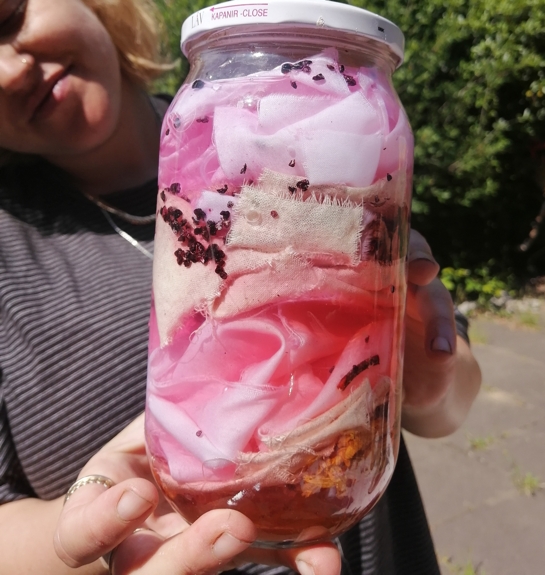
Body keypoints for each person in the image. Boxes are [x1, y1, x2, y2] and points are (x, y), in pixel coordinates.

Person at [0, 0, 482, 574]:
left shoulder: (303, 126)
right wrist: (103, 530)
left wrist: (424, 380)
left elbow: (449, 407)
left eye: (8, 17)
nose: (7, 70)